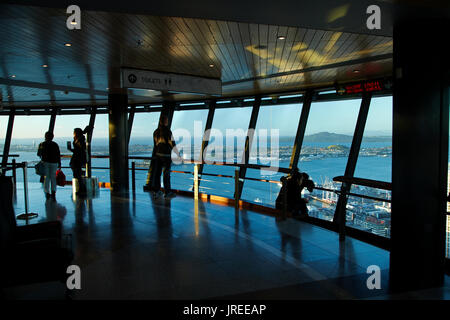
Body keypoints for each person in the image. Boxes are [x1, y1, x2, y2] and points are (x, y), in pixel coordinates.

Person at [149, 115, 181, 199]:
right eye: (167, 120)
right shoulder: (168, 132)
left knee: (157, 174)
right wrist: (178, 154)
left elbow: (155, 145)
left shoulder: (155, 132)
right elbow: (172, 144)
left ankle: (157, 191)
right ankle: (167, 192)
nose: (167, 122)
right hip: (166, 156)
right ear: (165, 122)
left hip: (158, 155)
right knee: (166, 174)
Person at [37, 131, 61, 200]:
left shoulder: (42, 144)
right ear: (52, 137)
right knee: (53, 177)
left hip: (45, 162)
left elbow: (38, 154)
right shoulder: (55, 144)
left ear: (45, 136)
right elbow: (58, 154)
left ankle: (47, 192)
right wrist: (59, 163)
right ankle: (53, 192)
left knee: (46, 178)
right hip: (54, 162)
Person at [68, 127, 87, 195]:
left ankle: (81, 189)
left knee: (77, 174)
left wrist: (71, 149)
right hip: (79, 159)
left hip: (77, 159)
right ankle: (82, 188)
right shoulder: (81, 140)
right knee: (78, 174)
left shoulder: (80, 141)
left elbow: (79, 150)